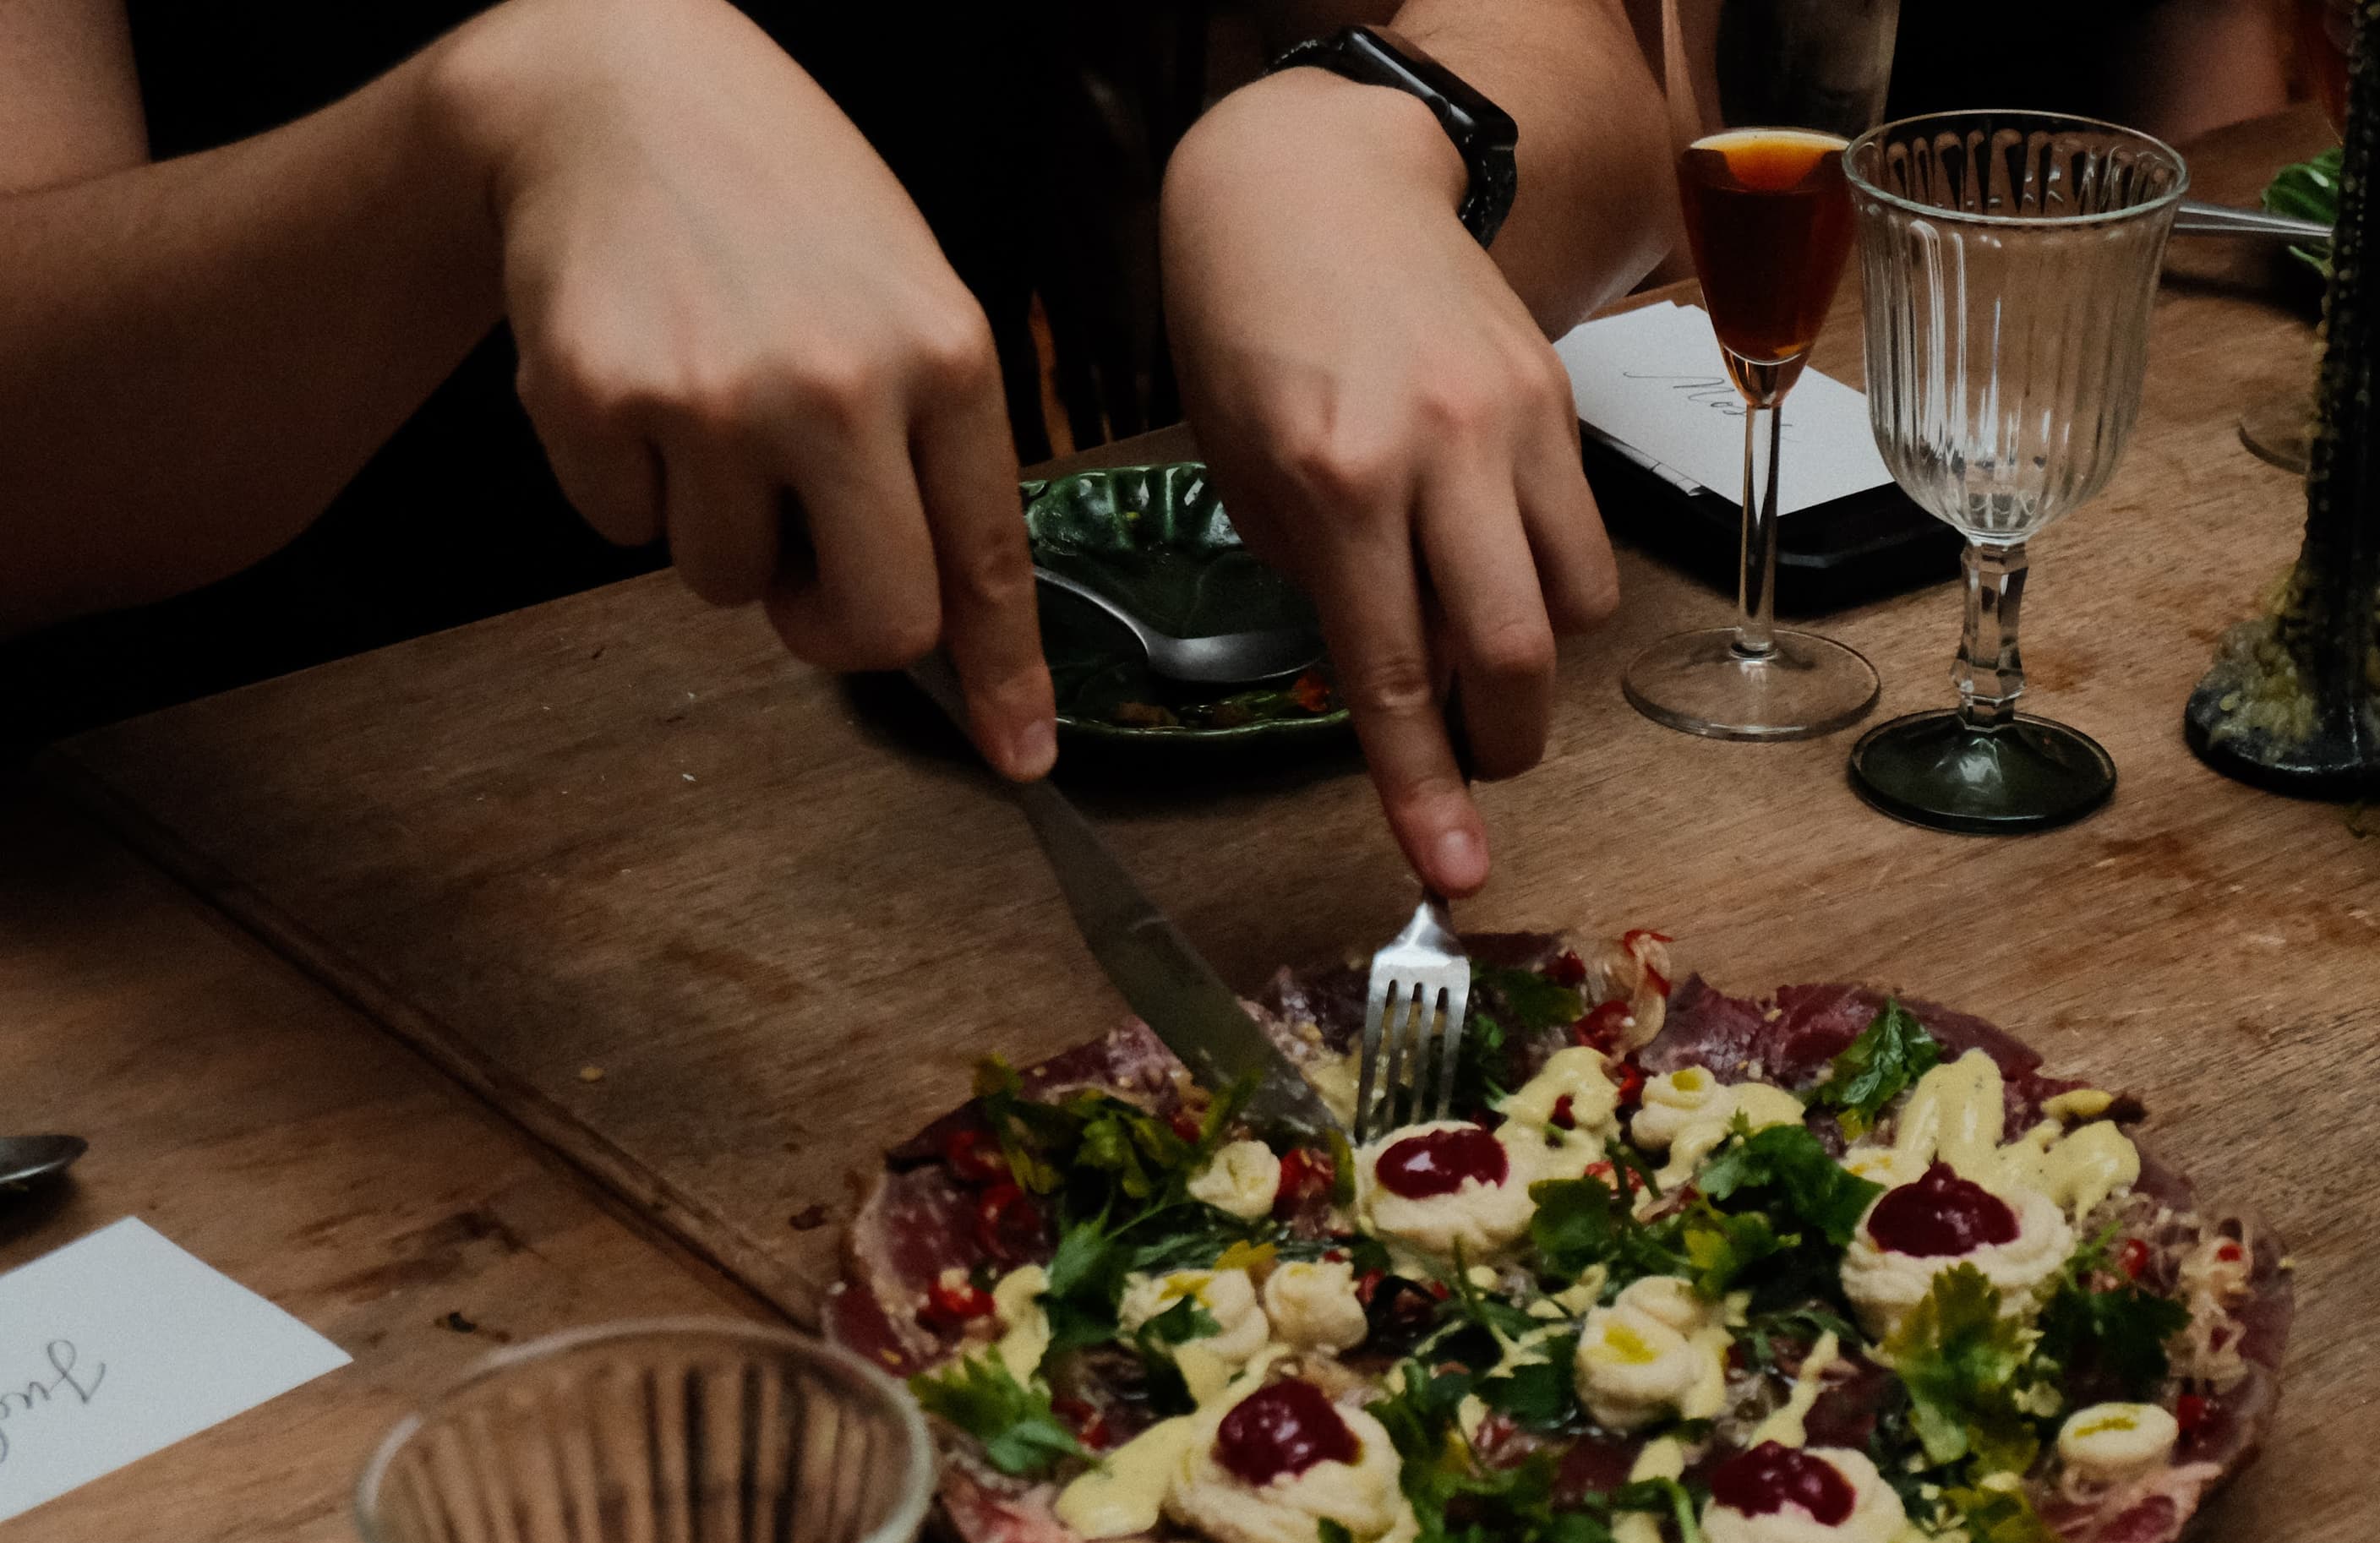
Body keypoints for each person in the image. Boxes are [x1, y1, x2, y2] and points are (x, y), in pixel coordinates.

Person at [0, 0, 1673, 897]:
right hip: (218, 860)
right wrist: (490, 124)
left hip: (922, 790)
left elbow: (1589, 74)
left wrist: (1374, 130)